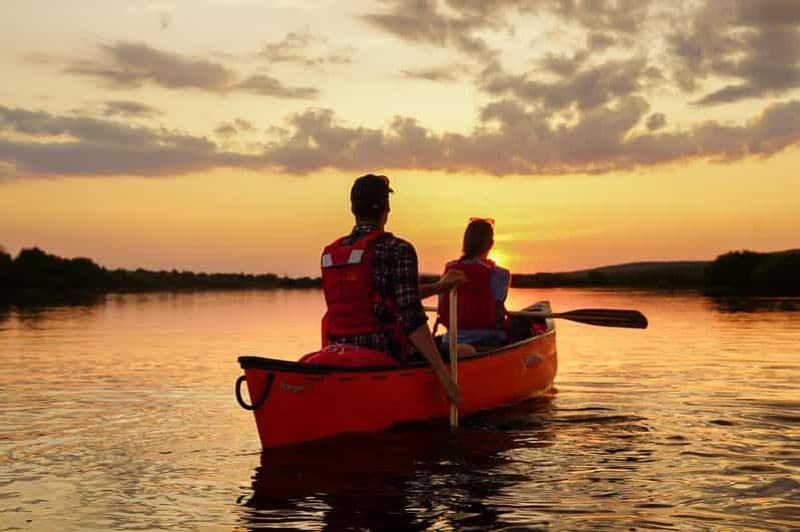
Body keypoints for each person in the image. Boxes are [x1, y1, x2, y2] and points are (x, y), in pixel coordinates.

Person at [320, 174, 461, 406]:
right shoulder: (398, 250)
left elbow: (384, 294)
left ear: (352, 208)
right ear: (387, 207)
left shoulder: (330, 253)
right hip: (387, 355)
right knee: (464, 350)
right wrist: (445, 378)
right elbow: (411, 318)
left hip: (339, 352)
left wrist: (438, 287)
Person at [437, 218, 511, 348]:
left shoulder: (449, 269)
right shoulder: (500, 274)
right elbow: (499, 302)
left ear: (465, 243)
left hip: (450, 341)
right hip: (487, 342)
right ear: (491, 244)